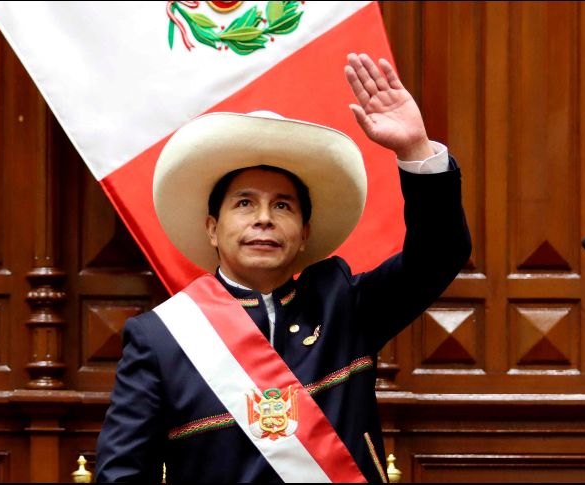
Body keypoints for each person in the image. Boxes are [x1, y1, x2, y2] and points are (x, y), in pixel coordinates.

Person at [95, 53, 471, 483]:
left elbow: (439, 253)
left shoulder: (344, 303)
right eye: (244, 203)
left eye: (282, 205)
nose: (264, 218)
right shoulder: (160, 338)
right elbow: (122, 473)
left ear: (304, 232)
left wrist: (414, 149)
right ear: (212, 229)